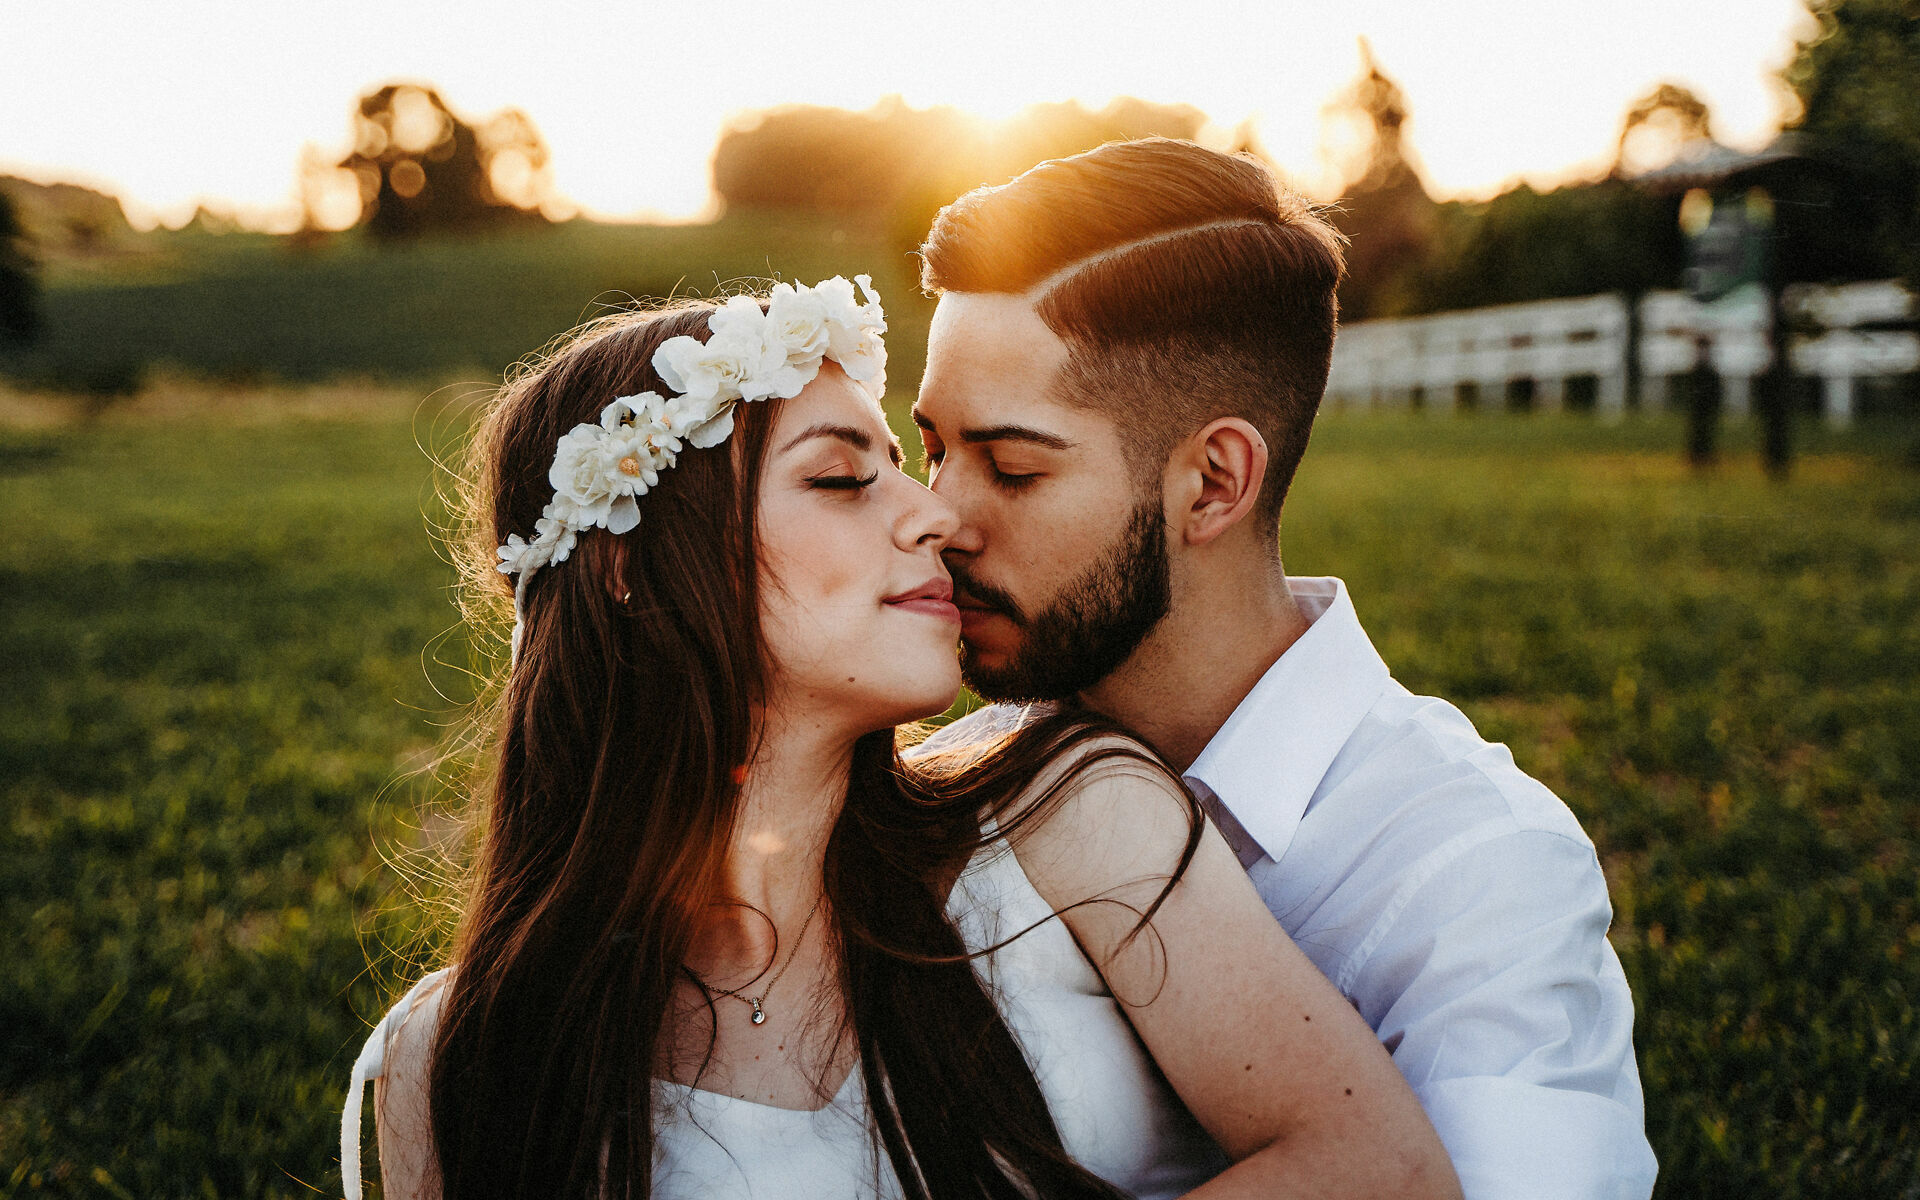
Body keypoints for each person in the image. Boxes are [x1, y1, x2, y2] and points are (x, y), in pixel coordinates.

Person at [340, 280, 1460, 1199]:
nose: (929, 513)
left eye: (897, 463)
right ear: (630, 568)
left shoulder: (1070, 821)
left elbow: (1382, 1169)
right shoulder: (453, 1060)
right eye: (839, 477)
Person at [909, 138, 1660, 1200]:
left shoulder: (1474, 872)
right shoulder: (956, 776)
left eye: (1013, 467)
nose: (938, 513)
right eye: (930, 443)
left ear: (1214, 482)